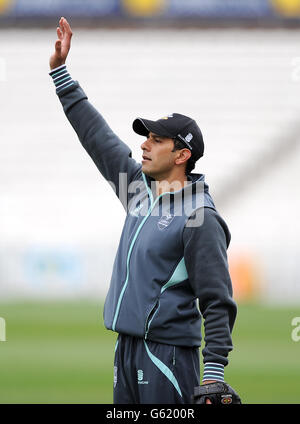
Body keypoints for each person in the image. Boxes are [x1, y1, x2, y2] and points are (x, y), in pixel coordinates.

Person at [49, 17, 238, 405]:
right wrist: (61, 74)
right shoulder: (139, 189)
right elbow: (98, 138)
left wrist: (214, 373)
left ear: (182, 155)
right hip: (127, 348)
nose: (145, 145)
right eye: (145, 138)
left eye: (157, 140)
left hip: (166, 355)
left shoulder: (199, 214)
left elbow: (217, 300)